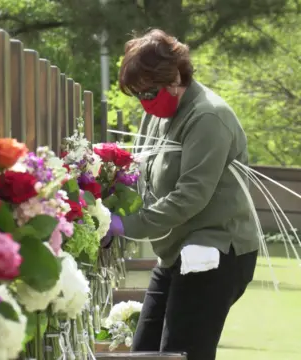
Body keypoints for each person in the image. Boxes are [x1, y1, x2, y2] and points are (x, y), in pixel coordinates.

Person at [104, 29, 260, 360]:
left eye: (150, 91)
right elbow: (142, 174)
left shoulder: (207, 117)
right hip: (175, 252)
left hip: (215, 252)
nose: (145, 101)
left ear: (175, 77)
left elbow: (191, 196)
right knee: (144, 351)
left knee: (181, 353)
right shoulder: (157, 113)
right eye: (139, 95)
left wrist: (125, 225)